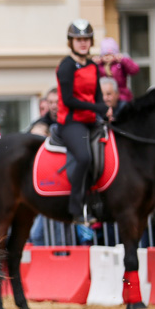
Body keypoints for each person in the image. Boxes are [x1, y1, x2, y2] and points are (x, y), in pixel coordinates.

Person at [56, 19, 112, 225]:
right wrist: (98, 108)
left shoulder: (92, 66)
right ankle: (76, 207)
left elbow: (97, 95)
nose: (83, 43)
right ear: (71, 42)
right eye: (78, 39)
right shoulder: (66, 66)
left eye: (86, 39)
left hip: (91, 120)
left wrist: (106, 112)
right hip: (71, 122)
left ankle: (99, 202)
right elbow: (69, 99)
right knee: (83, 157)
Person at [92, 37, 140, 103]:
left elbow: (134, 70)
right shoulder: (100, 65)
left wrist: (123, 59)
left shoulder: (120, 64)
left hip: (122, 97)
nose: (107, 57)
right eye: (105, 55)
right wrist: (92, 63)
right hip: (104, 98)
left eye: (110, 54)